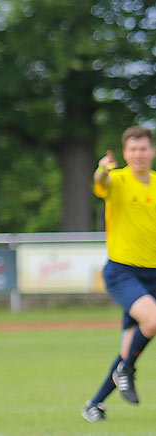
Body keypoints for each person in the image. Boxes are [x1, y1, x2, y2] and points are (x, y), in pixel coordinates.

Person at [82, 126, 156, 422]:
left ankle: (94, 404)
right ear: (125, 153)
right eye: (133, 149)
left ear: (152, 151)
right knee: (153, 320)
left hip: (153, 275)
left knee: (129, 350)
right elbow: (101, 181)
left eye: (143, 148)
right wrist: (102, 169)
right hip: (123, 272)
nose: (138, 154)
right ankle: (126, 370)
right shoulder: (117, 179)